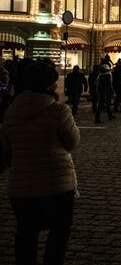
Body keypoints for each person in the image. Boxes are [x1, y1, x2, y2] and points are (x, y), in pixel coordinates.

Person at [1, 62, 80, 265]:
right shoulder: (58, 111)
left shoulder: (10, 112)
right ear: (49, 85)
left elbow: (7, 147)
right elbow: (72, 142)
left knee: (26, 234)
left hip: (21, 186)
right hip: (57, 184)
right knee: (59, 233)